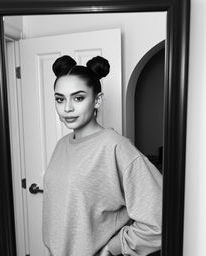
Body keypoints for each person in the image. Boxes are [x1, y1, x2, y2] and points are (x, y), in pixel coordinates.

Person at [42, 55, 162, 256]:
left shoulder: (115, 146)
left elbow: (159, 217)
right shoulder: (61, 145)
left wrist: (111, 248)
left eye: (78, 98)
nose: (67, 108)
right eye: (60, 99)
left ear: (97, 100)